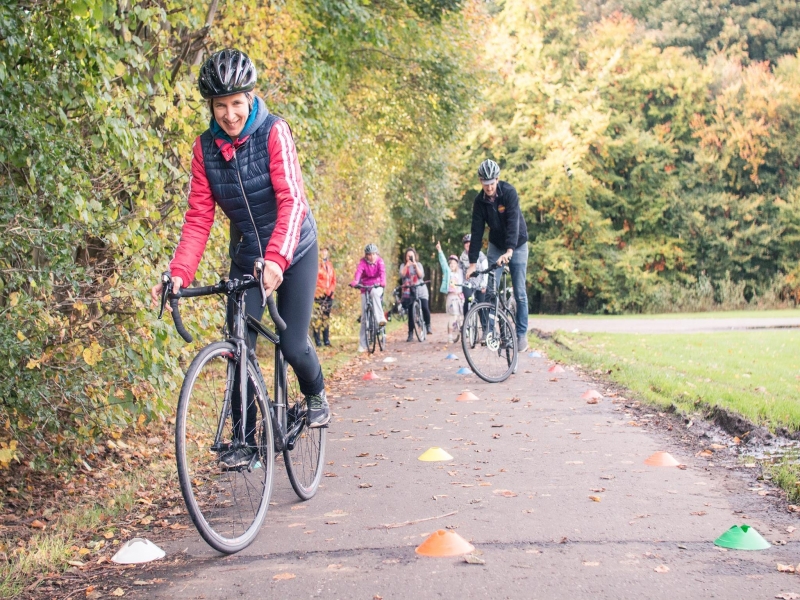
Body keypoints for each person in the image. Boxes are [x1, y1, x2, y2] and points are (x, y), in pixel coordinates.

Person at [149, 49, 330, 469]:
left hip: (295, 248)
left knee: (292, 343)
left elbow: (292, 200)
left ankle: (316, 393)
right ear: (211, 107)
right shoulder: (204, 149)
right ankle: (244, 441)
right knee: (239, 346)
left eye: (236, 103)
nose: (229, 114)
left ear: (250, 98)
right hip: (247, 255)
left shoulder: (274, 132)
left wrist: (277, 261)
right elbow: (198, 219)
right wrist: (179, 274)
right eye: (220, 105)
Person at [465, 159, 530, 352]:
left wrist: (510, 251)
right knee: (491, 289)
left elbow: (513, 223)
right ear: (480, 182)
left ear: (497, 180)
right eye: (485, 185)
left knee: (519, 292)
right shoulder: (480, 202)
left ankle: (521, 334)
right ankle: (490, 331)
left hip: (517, 243)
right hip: (495, 244)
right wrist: (472, 263)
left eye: (492, 184)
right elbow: (476, 232)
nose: (489, 188)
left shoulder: (509, 193)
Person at [350, 243, 386, 352]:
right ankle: (362, 344)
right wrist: (356, 281)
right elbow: (359, 272)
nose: (372, 256)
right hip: (365, 287)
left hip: (377, 286)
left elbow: (382, 273)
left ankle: (380, 319)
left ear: (377, 254)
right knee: (364, 318)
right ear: (366, 255)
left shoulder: (380, 261)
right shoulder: (362, 262)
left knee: (375, 293)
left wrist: (383, 282)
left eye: (374, 254)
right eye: (369, 255)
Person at [399, 247, 432, 341]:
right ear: (405, 257)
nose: (410, 257)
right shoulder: (403, 265)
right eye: (408, 256)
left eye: (411, 256)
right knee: (410, 313)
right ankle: (410, 334)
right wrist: (407, 265)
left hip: (421, 290)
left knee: (425, 307)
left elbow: (421, 275)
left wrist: (414, 265)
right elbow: (402, 275)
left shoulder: (418, 264)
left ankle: (428, 325)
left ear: (415, 256)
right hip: (409, 292)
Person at [436, 242, 464, 343]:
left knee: (460, 315)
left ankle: (460, 331)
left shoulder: (460, 273)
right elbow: (443, 262)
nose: (452, 265)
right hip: (451, 297)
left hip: (459, 297)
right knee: (453, 316)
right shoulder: (448, 272)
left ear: (457, 264)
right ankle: (450, 335)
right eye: (451, 263)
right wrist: (440, 251)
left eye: (454, 263)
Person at [458, 234, 488, 316]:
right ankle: (466, 324)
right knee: (467, 299)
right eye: (466, 243)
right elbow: (460, 274)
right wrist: (459, 288)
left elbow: (485, 269)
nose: (468, 244)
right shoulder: (461, 258)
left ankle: (485, 326)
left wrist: (484, 284)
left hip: (480, 283)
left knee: (481, 305)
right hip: (467, 283)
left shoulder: (480, 254)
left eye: (469, 242)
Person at [313, 247, 336, 347]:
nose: (324, 252)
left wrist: (331, 290)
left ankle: (326, 340)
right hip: (318, 295)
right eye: (322, 250)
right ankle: (318, 341)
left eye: (326, 251)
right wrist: (319, 291)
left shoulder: (329, 265)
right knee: (317, 318)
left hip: (329, 295)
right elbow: (315, 279)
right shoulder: (316, 265)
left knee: (326, 317)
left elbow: (333, 279)